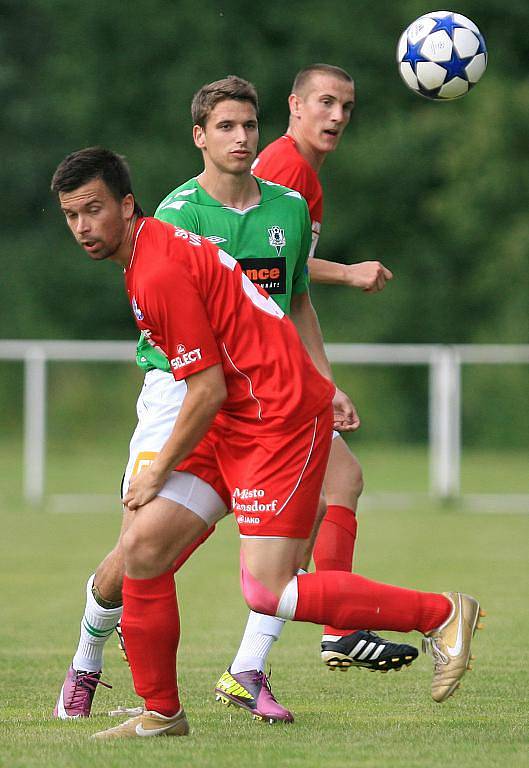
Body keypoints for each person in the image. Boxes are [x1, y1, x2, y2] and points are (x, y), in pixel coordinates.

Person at [51, 146, 483, 739]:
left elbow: (202, 389)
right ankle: (161, 714)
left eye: (93, 211)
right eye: (71, 216)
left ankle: (441, 614)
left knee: (269, 588)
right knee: (145, 548)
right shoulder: (150, 250)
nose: (82, 227)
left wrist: (158, 470)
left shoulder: (154, 267)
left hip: (274, 418)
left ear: (127, 206)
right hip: (236, 415)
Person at [253, 63, 395, 668]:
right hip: (255, 367)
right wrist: (351, 270)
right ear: (295, 105)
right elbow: (261, 271)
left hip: (273, 362)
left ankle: (272, 656)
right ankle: (333, 630)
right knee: (187, 520)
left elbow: (294, 293)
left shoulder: (304, 175)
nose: (337, 116)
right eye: (326, 103)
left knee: (330, 490)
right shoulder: (286, 168)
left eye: (347, 108)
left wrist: (327, 383)